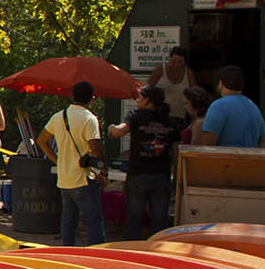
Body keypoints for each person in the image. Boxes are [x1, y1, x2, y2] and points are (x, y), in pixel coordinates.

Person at [38, 80, 106, 246]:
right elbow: (96, 149)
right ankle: (96, 254)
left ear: (72, 96)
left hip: (64, 178)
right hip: (82, 177)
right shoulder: (89, 119)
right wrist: (103, 171)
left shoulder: (58, 116)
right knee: (94, 219)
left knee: (68, 220)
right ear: (93, 99)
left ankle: (66, 252)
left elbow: (41, 141)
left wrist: (57, 160)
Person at [108, 84, 179, 238]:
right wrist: (177, 176)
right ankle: (158, 254)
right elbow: (176, 152)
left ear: (147, 101)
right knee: (160, 220)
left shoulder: (135, 116)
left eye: (140, 97)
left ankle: (133, 254)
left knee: (134, 220)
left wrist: (111, 129)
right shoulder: (171, 122)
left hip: (138, 175)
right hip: (162, 176)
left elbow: (119, 131)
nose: (137, 100)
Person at [198, 65, 265, 148]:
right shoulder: (253, 106)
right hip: (251, 159)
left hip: (225, 159)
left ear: (221, 83)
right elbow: (263, 141)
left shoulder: (218, 106)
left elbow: (207, 143)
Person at [146, 46, 199, 129]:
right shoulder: (160, 70)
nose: (176, 64)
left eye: (180, 62)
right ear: (170, 58)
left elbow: (195, 95)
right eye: (173, 61)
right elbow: (147, 91)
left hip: (181, 117)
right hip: (160, 117)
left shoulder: (188, 73)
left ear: (185, 62)